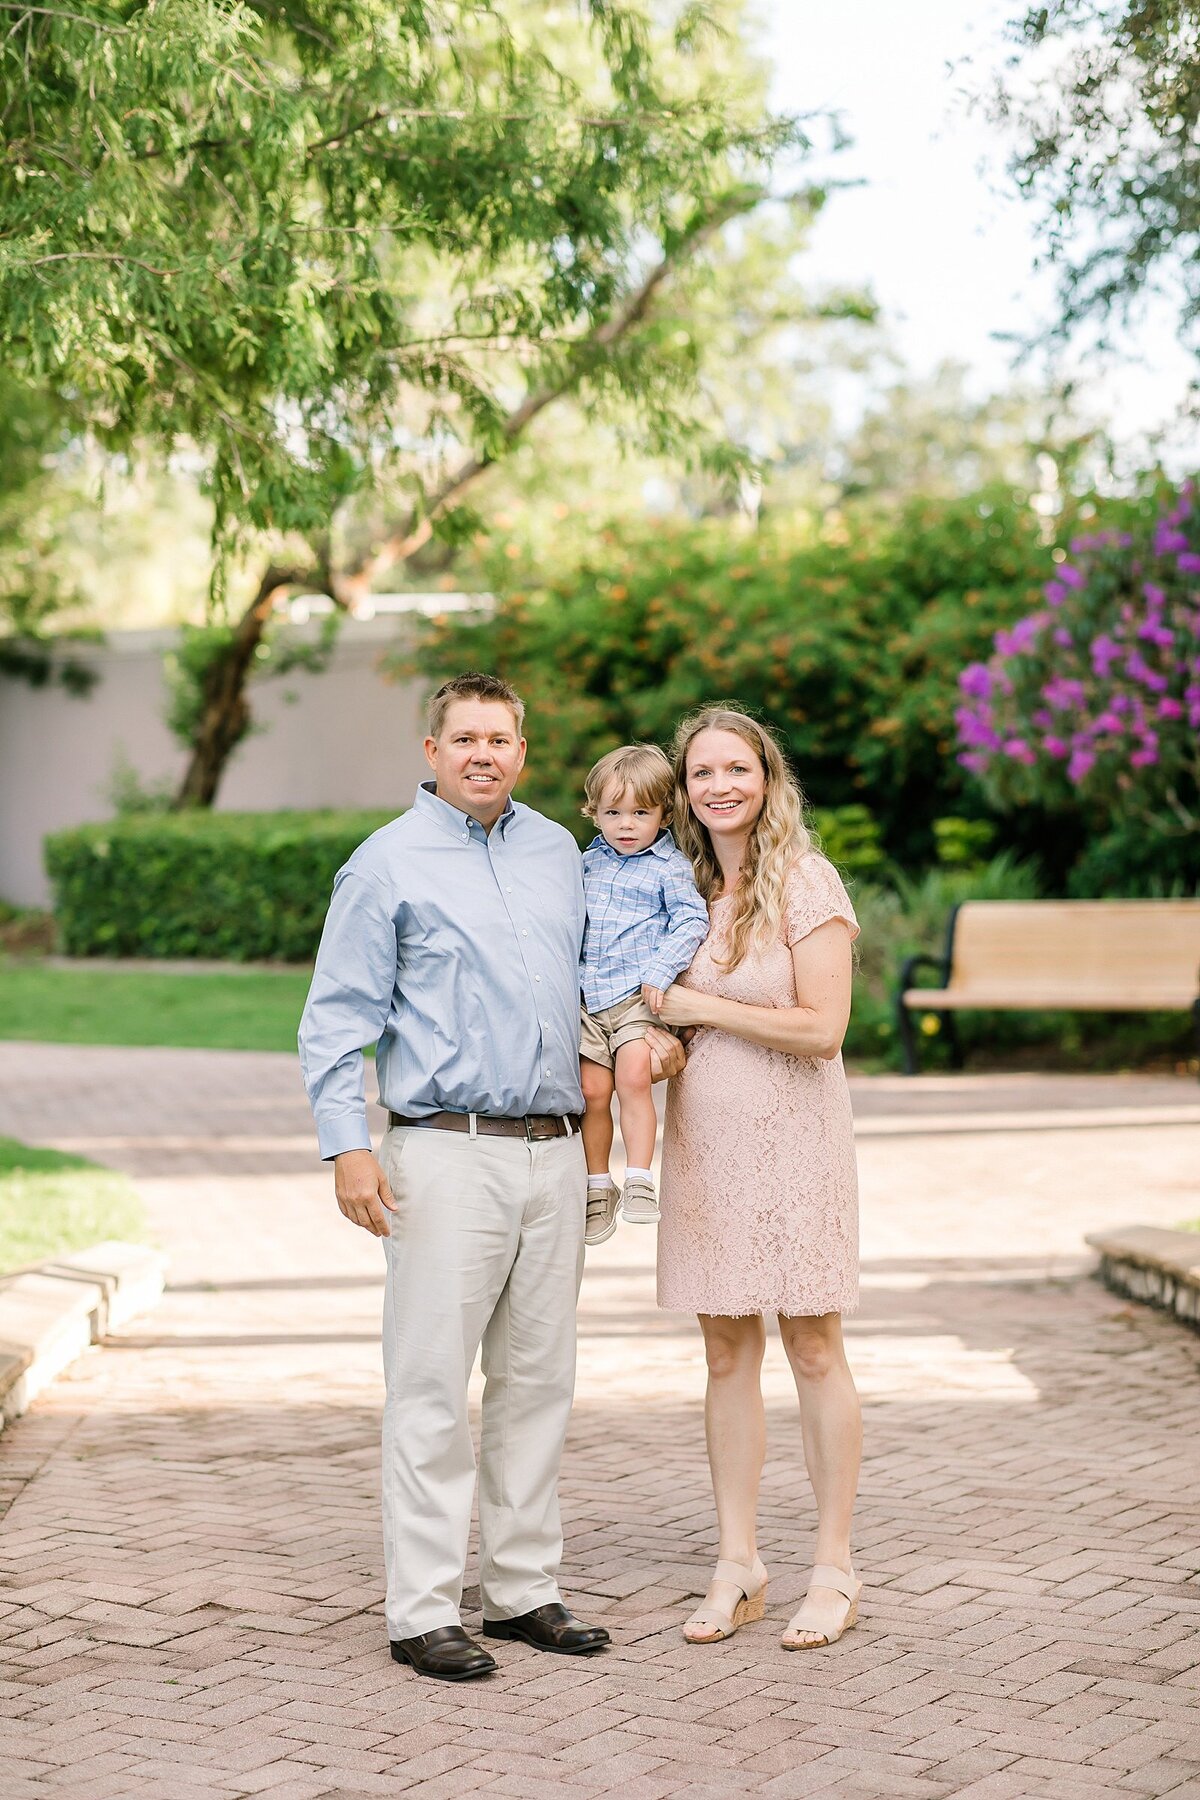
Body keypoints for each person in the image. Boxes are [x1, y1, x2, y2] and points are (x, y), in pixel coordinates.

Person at [298, 673, 682, 1683]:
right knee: (431, 1384)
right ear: (432, 751)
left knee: (537, 1381)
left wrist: (657, 1037)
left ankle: (521, 1591)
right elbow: (336, 1019)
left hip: (558, 1150)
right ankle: (422, 1611)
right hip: (443, 1149)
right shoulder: (385, 865)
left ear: (523, 749)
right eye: (463, 737)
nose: (483, 754)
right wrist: (348, 1145)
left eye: (500, 738)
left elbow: (617, 968)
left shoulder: (563, 852)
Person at [650, 705, 864, 1652]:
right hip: (706, 1145)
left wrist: (701, 1004)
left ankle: (834, 1567)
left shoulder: (806, 883)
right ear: (685, 793)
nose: (719, 786)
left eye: (736, 768)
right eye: (701, 774)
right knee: (726, 1352)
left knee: (813, 1347)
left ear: (768, 780)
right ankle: (738, 1564)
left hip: (796, 1143)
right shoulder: (678, 890)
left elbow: (823, 1030)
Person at [578, 744, 709, 1246]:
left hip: (636, 998)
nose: (625, 824)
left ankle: (638, 1178)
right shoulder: (586, 864)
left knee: (633, 1076)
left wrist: (661, 971)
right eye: (613, 813)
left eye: (640, 813)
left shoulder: (667, 868)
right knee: (592, 1092)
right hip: (589, 1001)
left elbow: (691, 918)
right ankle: (597, 1185)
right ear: (595, 813)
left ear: (664, 813)